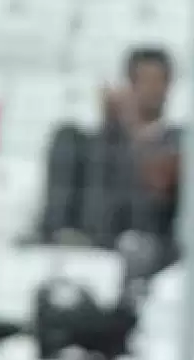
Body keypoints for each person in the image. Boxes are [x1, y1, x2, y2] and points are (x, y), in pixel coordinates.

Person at [35, 47, 181, 260]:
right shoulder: (109, 136)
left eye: (158, 81)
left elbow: (159, 180)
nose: (153, 89)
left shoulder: (176, 137)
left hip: (146, 230)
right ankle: (59, 233)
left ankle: (96, 241)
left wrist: (127, 124)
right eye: (145, 80)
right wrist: (111, 125)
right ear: (130, 85)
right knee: (68, 136)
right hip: (97, 222)